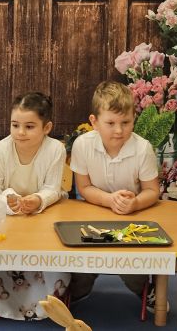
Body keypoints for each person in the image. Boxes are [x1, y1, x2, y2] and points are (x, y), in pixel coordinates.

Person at [68, 81, 161, 305]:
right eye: (110, 123)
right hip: (92, 211)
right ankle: (77, 289)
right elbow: (84, 188)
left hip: (131, 216)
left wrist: (135, 203)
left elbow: (152, 191)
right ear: (94, 122)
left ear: (133, 119)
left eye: (125, 122)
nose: (119, 130)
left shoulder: (142, 148)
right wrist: (109, 200)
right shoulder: (82, 145)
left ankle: (144, 288)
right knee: (82, 270)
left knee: (132, 271)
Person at [0, 92, 68, 320]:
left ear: (46, 127)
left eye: (29, 126)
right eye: (15, 125)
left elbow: (52, 188)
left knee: (49, 248)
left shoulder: (55, 149)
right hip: (8, 218)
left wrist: (37, 200)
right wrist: (7, 202)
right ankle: (4, 302)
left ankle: (48, 302)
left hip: (43, 217)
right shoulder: (1, 149)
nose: (20, 132)